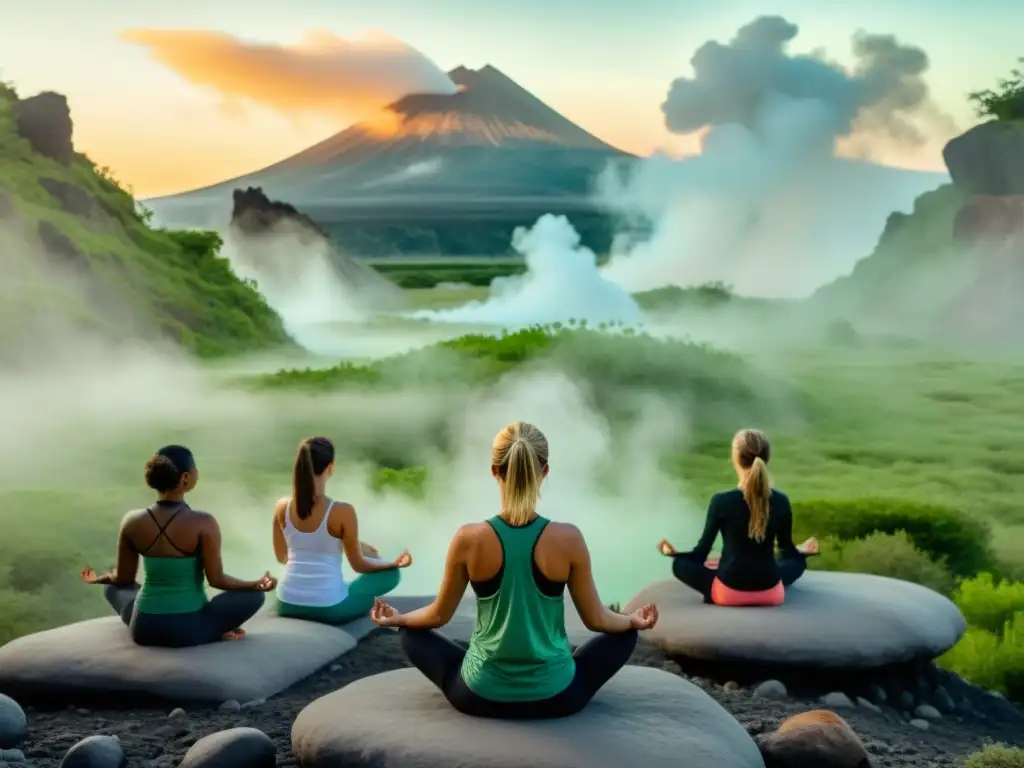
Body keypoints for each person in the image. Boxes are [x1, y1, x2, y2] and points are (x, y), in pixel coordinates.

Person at [370, 420, 659, 720]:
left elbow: (438, 616)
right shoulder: (568, 538)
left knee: (411, 635)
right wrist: (632, 620)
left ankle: (489, 662)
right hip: (558, 697)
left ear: (494, 470)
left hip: (478, 695)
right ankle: (550, 658)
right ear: (545, 471)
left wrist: (400, 618)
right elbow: (597, 620)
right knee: (625, 634)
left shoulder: (468, 538)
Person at [80, 445, 276, 648]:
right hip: (188, 629)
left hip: (143, 628)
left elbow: (123, 579)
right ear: (184, 479)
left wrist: (99, 579)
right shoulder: (204, 522)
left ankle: (199, 627)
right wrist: (254, 584)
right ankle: (215, 632)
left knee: (112, 588)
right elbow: (217, 580)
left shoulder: (132, 521)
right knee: (254, 596)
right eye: (195, 470)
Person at [658, 428, 818, 607]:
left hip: (728, 592)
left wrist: (674, 554)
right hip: (772, 591)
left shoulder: (721, 501)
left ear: (735, 458)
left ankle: (717, 586)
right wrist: (801, 553)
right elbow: (787, 551)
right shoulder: (781, 501)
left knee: (679, 565)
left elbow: (699, 555)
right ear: (767, 458)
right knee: (795, 562)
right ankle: (796, 559)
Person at [272, 436, 411, 624]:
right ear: (330, 468)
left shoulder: (281, 506)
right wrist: (394, 564)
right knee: (391, 574)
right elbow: (359, 566)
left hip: (285, 602)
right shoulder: (342, 511)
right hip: (329, 608)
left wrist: (345, 543)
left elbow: (282, 557)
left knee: (342, 582)